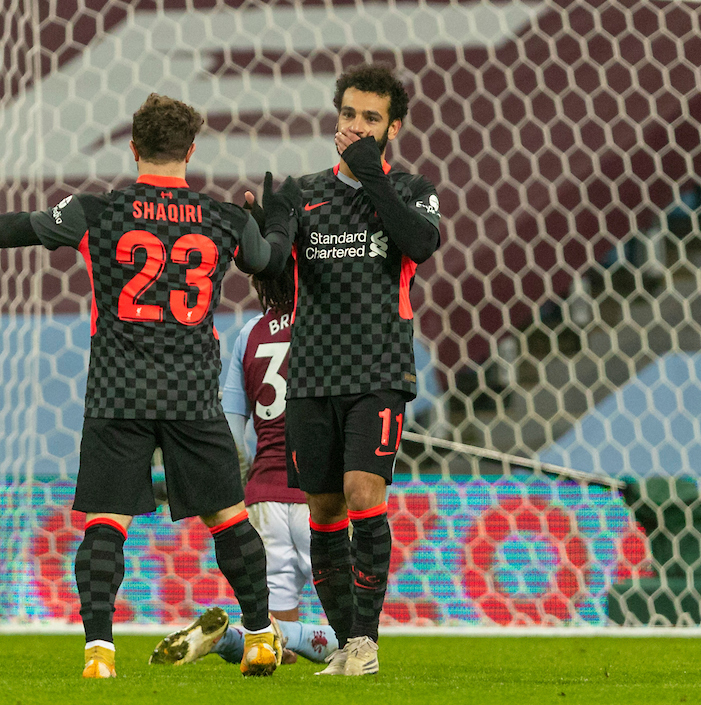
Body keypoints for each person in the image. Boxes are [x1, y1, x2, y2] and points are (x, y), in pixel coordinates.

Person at [0, 93, 291, 679]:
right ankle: (259, 636)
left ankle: (99, 654)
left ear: (132, 148)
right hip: (191, 393)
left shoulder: (95, 213)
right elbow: (271, 259)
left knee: (105, 525)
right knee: (229, 520)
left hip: (117, 391)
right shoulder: (224, 219)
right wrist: (275, 216)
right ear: (191, 150)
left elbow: (23, 228)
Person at [251, 63, 442, 676]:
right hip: (311, 374)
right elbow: (276, 273)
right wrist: (258, 242)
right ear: (337, 115)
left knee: (365, 494)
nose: (356, 125)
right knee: (326, 513)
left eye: (370, 118)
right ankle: (346, 642)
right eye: (349, 114)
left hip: (378, 369)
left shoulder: (413, 189)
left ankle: (367, 644)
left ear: (394, 127)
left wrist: (370, 177)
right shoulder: (302, 193)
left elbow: (419, 244)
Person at [149, 274, 338, 667]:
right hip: (322, 496)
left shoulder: (251, 333)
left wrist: (252, 478)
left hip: (264, 497)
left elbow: (232, 434)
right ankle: (288, 633)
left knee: (272, 646)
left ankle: (226, 640)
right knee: (358, 634)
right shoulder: (333, 319)